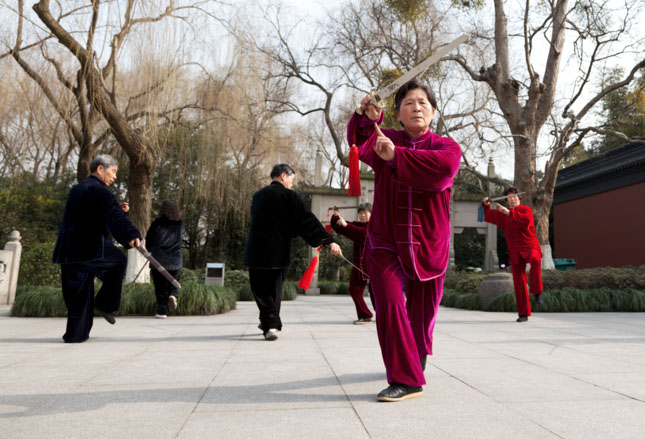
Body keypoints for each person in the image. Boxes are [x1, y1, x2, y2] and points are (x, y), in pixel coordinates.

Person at [348, 78, 462, 402]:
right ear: (397, 113)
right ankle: (406, 379)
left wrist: (396, 157)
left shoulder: (446, 147)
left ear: (433, 112)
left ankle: (415, 358)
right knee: (388, 301)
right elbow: (358, 140)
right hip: (385, 241)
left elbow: (442, 171)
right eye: (408, 103)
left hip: (429, 244)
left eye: (423, 103)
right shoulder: (385, 139)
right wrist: (365, 117)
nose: (416, 108)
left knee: (422, 317)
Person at [245, 164, 342, 341]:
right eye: (292, 178)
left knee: (260, 290)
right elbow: (306, 221)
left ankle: (268, 320)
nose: (292, 183)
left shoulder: (257, 195)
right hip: (277, 252)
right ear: (283, 176)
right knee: (274, 290)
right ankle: (271, 324)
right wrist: (328, 240)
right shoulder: (289, 196)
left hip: (256, 251)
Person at [52, 154, 141, 343]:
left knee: (78, 295)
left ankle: (76, 335)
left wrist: (115, 208)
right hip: (88, 247)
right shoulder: (101, 192)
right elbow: (115, 217)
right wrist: (131, 234)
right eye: (113, 171)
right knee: (119, 261)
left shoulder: (77, 189)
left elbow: (90, 215)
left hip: (68, 251)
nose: (115, 176)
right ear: (100, 169)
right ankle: (105, 303)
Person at [481, 187, 543, 322]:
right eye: (509, 197)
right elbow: (488, 214)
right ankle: (523, 314)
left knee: (535, 260)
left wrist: (509, 213)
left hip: (530, 245)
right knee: (519, 282)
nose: (512, 199)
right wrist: (485, 205)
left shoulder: (526, 210)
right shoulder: (502, 214)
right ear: (506, 200)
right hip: (515, 250)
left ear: (519, 198)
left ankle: (537, 291)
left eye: (514, 196)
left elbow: (525, 222)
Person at [331, 203, 375, 324]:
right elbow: (340, 227)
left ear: (371, 214)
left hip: (374, 264)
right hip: (359, 264)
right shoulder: (357, 225)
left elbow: (363, 234)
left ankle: (384, 315)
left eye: (365, 213)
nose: (362, 215)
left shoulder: (375, 226)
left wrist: (346, 225)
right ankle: (365, 315)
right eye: (360, 213)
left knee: (376, 292)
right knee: (354, 289)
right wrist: (336, 216)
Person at [145, 200, 183, 319]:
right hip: (175, 258)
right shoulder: (179, 223)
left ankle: (162, 311)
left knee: (160, 286)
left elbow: (149, 239)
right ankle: (173, 295)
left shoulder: (156, 223)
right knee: (173, 281)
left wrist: (151, 250)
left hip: (158, 258)